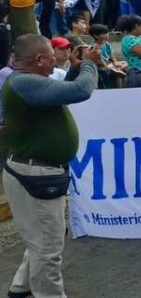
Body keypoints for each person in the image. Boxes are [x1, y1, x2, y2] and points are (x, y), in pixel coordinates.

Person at [2, 34, 98, 298]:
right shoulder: (24, 83)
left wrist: (77, 68)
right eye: (52, 55)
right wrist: (89, 65)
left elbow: (60, 94)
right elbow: (80, 91)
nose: (57, 58)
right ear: (40, 59)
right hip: (37, 173)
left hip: (35, 170)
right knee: (48, 248)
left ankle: (21, 289)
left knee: (40, 237)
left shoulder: (27, 82)